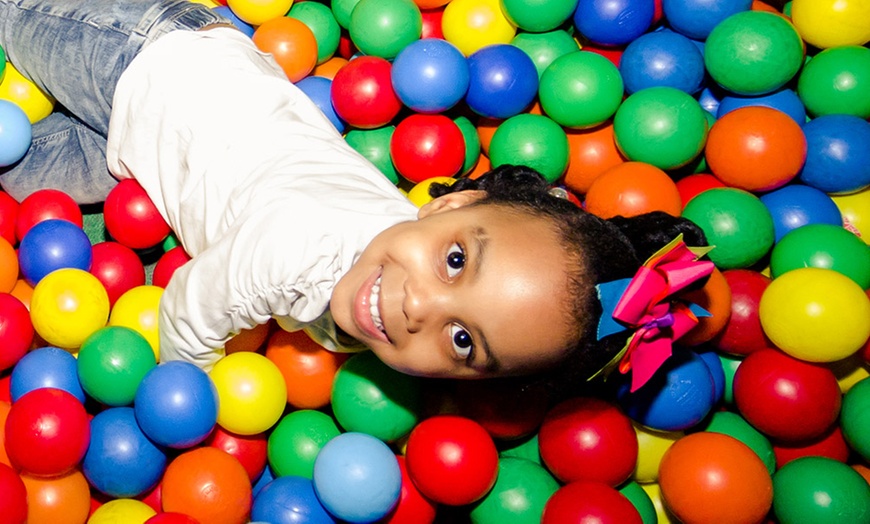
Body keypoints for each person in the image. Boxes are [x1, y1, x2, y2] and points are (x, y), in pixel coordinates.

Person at [0, 0, 709, 391]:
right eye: (456, 261)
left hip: (139, 154)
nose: (418, 305)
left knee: (19, 174)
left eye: (463, 341)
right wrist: (185, 387)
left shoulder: (388, 266)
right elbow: (193, 305)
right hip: (149, 56)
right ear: (449, 205)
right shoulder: (300, 247)